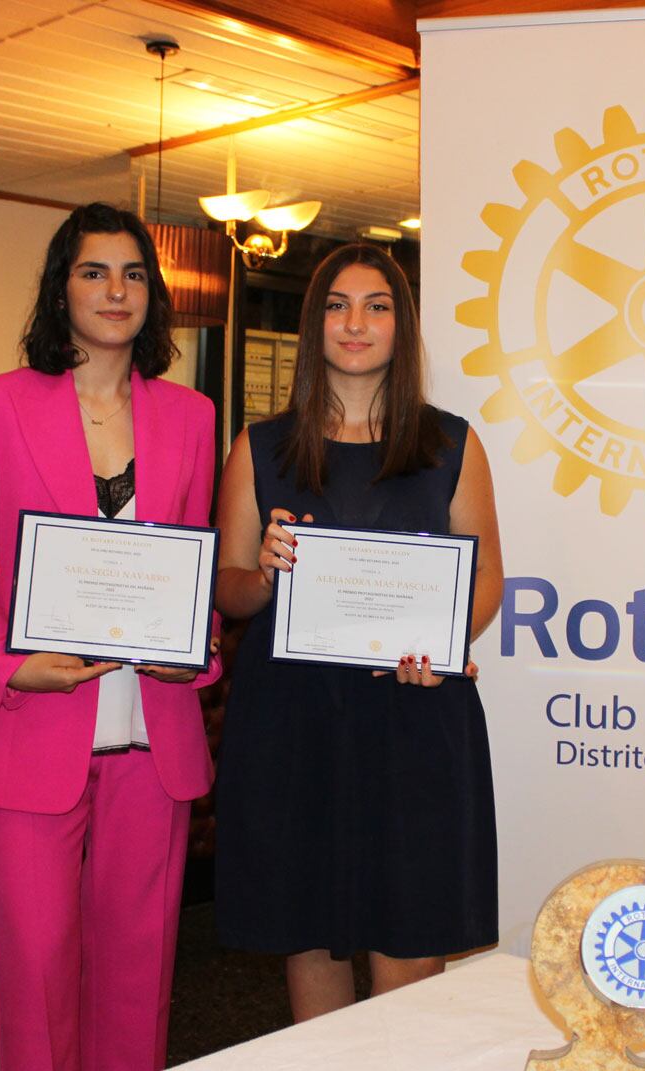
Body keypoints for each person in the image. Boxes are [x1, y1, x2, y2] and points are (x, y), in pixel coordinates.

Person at [0, 203, 219, 1071]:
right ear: (62, 287)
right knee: (35, 980)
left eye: (134, 274)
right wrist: (9, 664)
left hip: (153, 737)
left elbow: (195, 568)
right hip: (27, 735)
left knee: (141, 978)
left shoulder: (191, 416)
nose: (115, 291)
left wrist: (197, 649)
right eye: (95, 272)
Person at [212, 242, 505, 1022]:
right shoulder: (260, 447)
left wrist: (443, 645)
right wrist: (267, 574)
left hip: (412, 721)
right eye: (338, 305)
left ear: (402, 328)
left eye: (377, 306)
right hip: (294, 727)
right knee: (309, 939)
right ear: (314, 326)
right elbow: (229, 588)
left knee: (410, 950)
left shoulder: (450, 444)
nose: (356, 323)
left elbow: (486, 579)